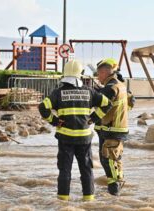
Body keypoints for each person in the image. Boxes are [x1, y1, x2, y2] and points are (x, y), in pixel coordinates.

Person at [38, 60, 112, 201]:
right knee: (86, 169)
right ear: (80, 74)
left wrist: (54, 121)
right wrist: (94, 118)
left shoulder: (58, 92)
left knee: (65, 170)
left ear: (65, 74)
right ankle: (89, 200)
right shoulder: (89, 91)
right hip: (84, 138)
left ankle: (63, 201)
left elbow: (42, 107)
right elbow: (107, 103)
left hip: (65, 138)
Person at [94, 58, 134, 196]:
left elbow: (103, 107)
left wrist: (90, 119)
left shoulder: (111, 88)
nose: (97, 77)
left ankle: (114, 192)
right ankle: (117, 191)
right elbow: (131, 103)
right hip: (117, 129)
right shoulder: (121, 85)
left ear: (105, 72)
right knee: (114, 160)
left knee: (108, 160)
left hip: (111, 130)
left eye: (98, 73)